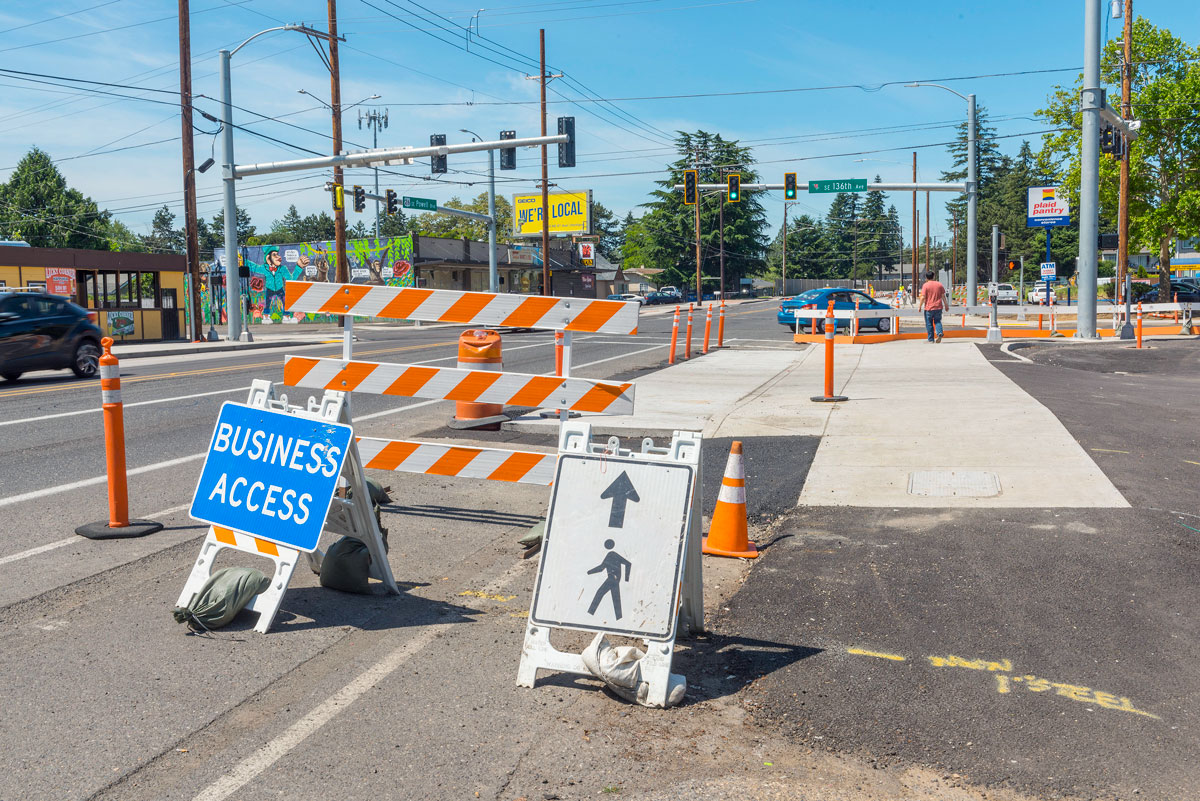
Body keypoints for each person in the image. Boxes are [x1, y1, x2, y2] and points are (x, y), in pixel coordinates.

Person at [919, 269, 949, 343]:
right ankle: (939, 333)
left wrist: (920, 306)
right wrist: (946, 305)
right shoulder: (939, 284)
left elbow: (923, 297)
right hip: (938, 307)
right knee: (938, 321)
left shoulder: (925, 285)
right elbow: (943, 296)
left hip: (928, 308)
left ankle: (931, 339)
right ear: (934, 276)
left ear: (926, 277)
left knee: (929, 323)